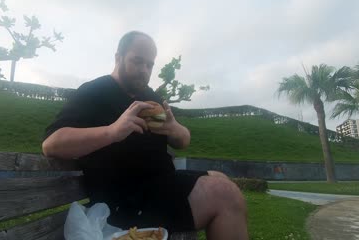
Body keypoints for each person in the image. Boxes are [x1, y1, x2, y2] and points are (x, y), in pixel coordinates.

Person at [42, 31, 248, 240]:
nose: (143, 71)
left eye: (149, 65)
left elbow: (184, 140)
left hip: (158, 187)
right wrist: (112, 132)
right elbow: (52, 144)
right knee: (224, 194)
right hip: (125, 202)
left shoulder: (151, 98)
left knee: (220, 178)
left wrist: (173, 129)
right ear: (118, 57)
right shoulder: (94, 92)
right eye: (137, 61)